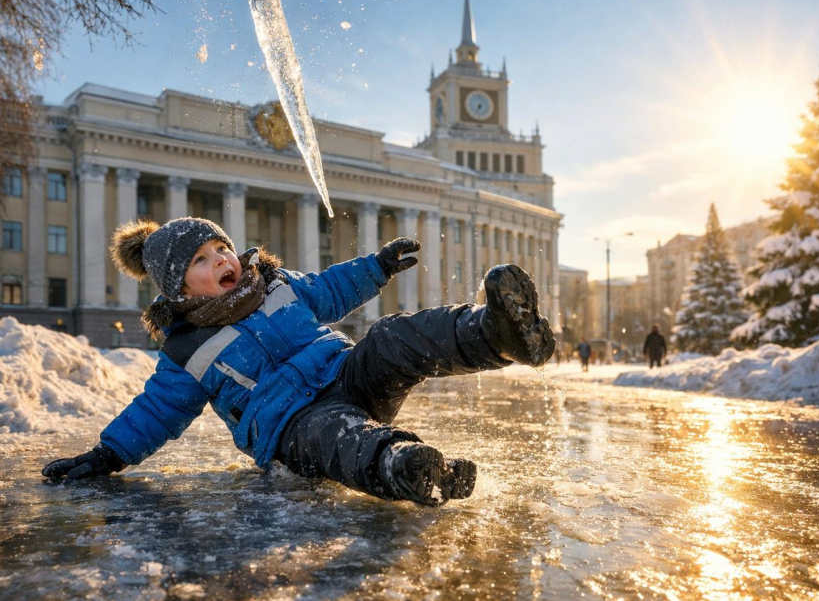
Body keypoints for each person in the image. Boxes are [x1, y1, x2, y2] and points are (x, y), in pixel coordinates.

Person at [42, 217, 555, 507]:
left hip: (344, 374)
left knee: (391, 337)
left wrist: (375, 267)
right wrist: (108, 455)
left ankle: (495, 334)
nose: (222, 259)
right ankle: (404, 466)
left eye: (221, 247)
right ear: (177, 285)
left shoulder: (277, 286)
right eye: (201, 259)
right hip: (292, 427)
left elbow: (331, 289)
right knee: (338, 433)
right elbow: (157, 412)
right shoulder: (186, 349)